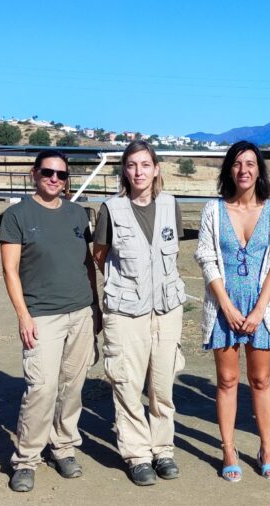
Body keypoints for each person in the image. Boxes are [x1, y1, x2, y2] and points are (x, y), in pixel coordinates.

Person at [0, 150, 98, 492]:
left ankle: (64, 446)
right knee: (41, 388)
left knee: (72, 387)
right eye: (48, 172)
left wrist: (95, 309)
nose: (55, 179)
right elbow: (10, 270)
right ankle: (26, 458)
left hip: (80, 312)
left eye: (61, 174)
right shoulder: (17, 215)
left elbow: (88, 265)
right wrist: (23, 315)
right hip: (42, 315)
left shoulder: (77, 214)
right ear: (34, 174)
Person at [195, 141, 270, 482]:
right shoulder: (213, 210)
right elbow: (206, 258)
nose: (244, 170)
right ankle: (229, 449)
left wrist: (260, 309)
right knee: (227, 380)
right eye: (237, 164)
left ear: (259, 170)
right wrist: (226, 305)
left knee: (261, 380)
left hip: (260, 305)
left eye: (250, 164)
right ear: (229, 170)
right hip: (225, 304)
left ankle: (266, 448)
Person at [93, 141, 186, 486]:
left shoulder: (170, 205)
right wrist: (128, 288)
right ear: (124, 171)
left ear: (156, 168)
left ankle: (163, 449)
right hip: (126, 312)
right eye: (132, 165)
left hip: (166, 310)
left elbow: (170, 255)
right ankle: (137, 455)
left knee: (162, 385)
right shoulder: (111, 209)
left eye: (145, 165)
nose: (139, 172)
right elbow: (100, 255)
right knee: (128, 384)